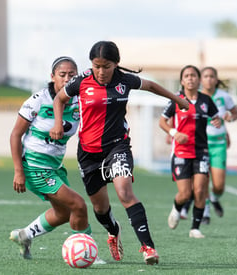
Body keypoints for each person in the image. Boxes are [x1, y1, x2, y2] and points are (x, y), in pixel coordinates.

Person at [49, 41, 189, 265]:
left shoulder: (125, 80)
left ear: (116, 64)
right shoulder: (81, 81)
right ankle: (114, 231)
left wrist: (177, 99)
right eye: (97, 66)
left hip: (117, 146)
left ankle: (148, 247)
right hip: (88, 152)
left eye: (106, 66)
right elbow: (59, 99)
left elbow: (151, 86)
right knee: (99, 207)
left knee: (124, 192)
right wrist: (58, 124)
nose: (101, 72)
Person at [9, 56, 104, 262]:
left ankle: (24, 235)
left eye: (72, 75)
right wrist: (18, 171)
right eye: (62, 75)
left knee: (63, 213)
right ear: (52, 77)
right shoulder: (38, 100)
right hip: (35, 167)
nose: (67, 79)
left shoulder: (79, 100)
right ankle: (87, 253)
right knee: (78, 205)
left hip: (54, 167)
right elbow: (15, 135)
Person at [159, 65, 221, 239]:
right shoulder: (176, 100)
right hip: (181, 152)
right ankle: (177, 208)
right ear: (182, 80)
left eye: (193, 75)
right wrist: (174, 133)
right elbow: (162, 122)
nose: (190, 78)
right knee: (185, 194)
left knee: (200, 190)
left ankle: (195, 228)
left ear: (199, 79)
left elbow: (216, 118)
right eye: (187, 76)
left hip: (201, 151)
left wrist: (217, 122)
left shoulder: (206, 100)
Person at [180, 67, 237, 224]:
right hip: (200, 144)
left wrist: (229, 118)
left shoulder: (223, 97)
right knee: (202, 180)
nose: (208, 79)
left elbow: (235, 114)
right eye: (205, 76)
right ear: (201, 79)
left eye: (211, 76)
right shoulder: (195, 96)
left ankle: (214, 198)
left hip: (219, 144)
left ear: (216, 79)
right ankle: (204, 211)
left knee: (219, 185)